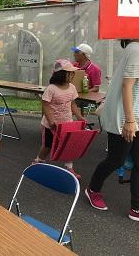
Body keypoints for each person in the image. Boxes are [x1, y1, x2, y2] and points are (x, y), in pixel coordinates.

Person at [85, 39, 139, 221]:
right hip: (125, 118)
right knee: (116, 160)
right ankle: (92, 189)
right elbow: (127, 85)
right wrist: (129, 121)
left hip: (135, 116)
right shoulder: (136, 48)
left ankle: (136, 207)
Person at [32, 59, 86, 179]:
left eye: (73, 73)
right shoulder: (51, 89)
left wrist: (79, 116)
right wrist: (51, 121)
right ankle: (38, 161)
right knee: (47, 145)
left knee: (68, 145)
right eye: (70, 73)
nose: (73, 75)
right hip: (50, 125)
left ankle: (69, 168)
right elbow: (45, 105)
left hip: (67, 124)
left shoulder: (71, 87)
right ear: (61, 74)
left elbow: (73, 104)